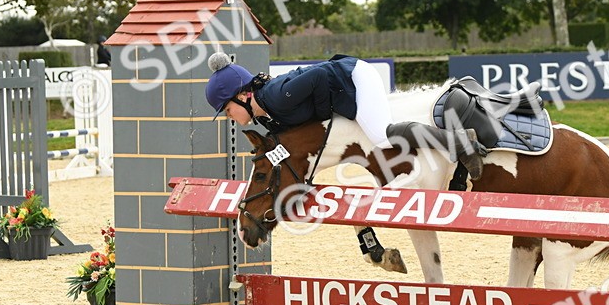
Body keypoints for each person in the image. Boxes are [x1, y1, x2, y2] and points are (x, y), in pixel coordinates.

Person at [204, 52, 487, 179]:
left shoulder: (276, 95)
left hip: (357, 77)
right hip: (344, 85)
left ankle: (460, 141)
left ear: (243, 96)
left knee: (380, 134)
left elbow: (316, 76)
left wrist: (324, 111)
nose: (229, 116)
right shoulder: (264, 115)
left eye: (227, 109)